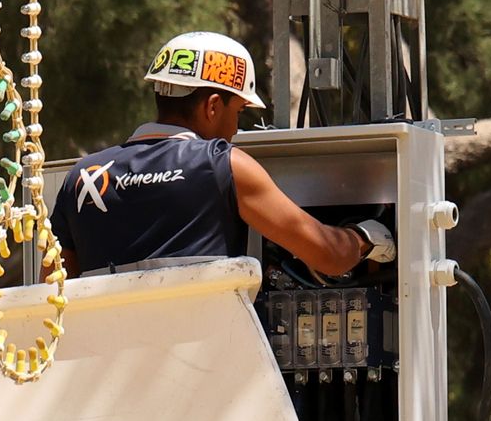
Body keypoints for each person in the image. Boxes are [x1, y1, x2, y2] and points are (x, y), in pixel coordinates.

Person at [50, 31, 392, 278]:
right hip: (208, 374)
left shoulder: (82, 177)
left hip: (111, 374)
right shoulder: (222, 165)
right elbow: (329, 256)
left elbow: (50, 291)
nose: (235, 129)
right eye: (239, 112)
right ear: (213, 106)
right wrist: (366, 237)